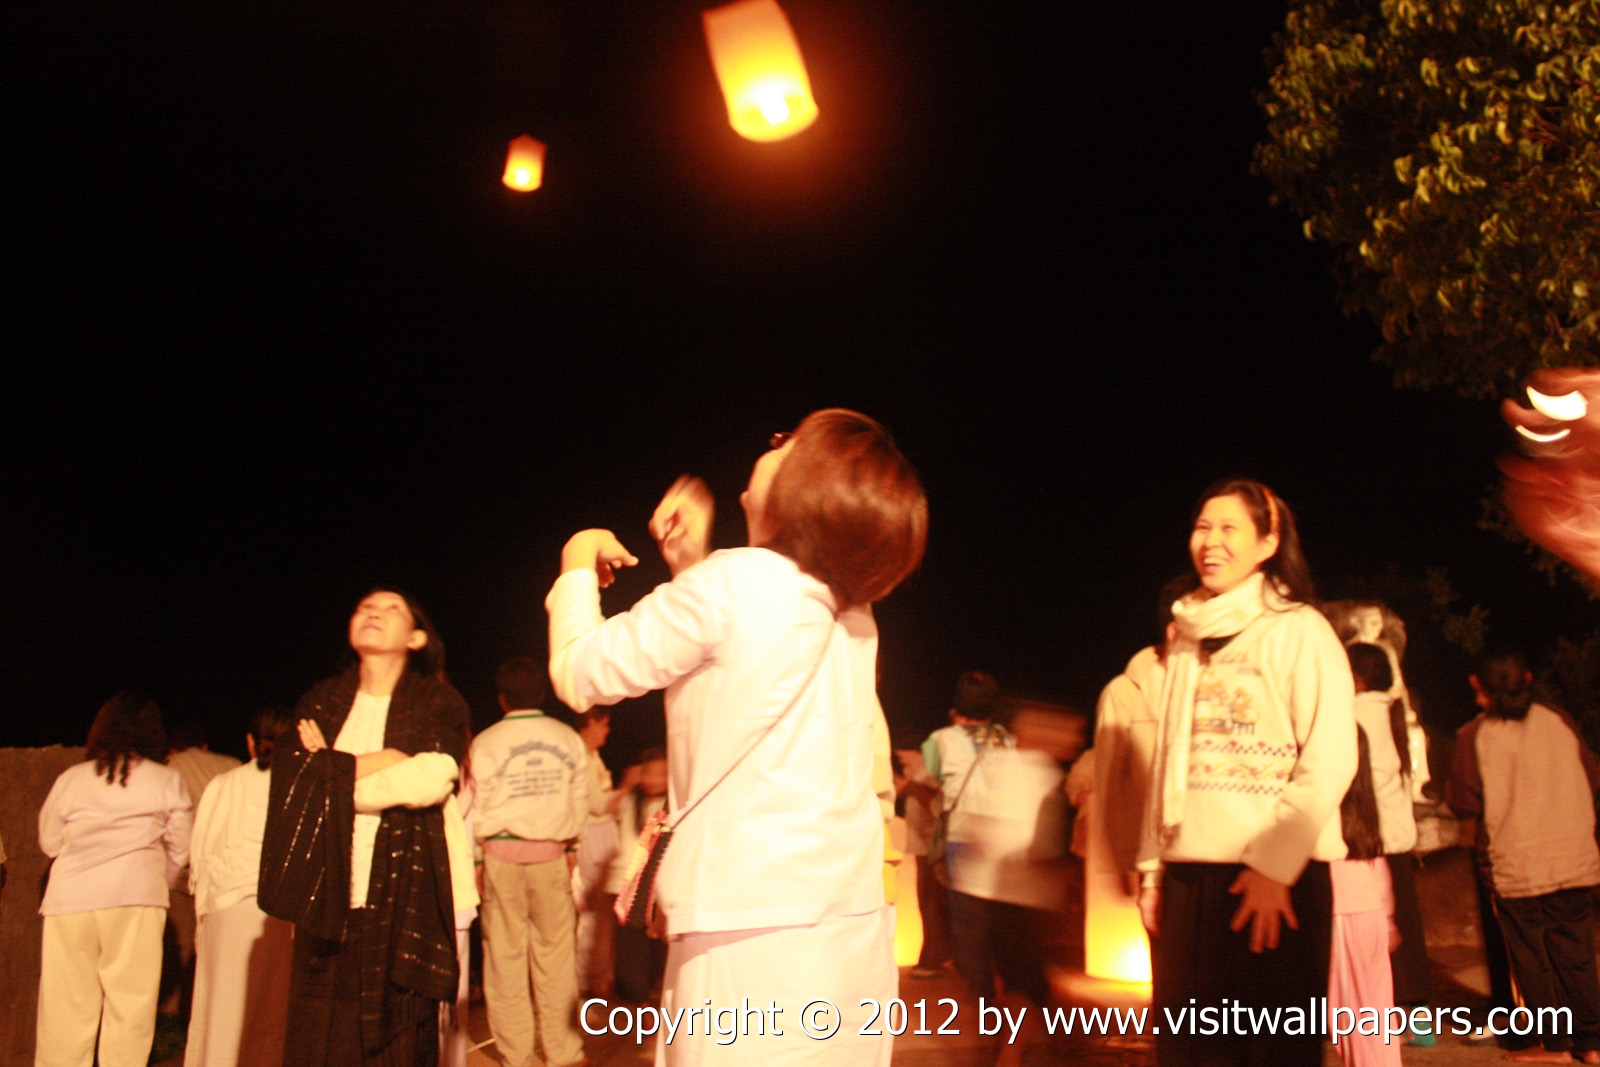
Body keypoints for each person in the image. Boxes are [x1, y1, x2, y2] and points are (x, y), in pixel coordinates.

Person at [546, 409, 927, 1066]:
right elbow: (745, 670)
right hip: (850, 922)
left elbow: (581, 672)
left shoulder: (730, 584)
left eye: (786, 441)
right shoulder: (853, 613)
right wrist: (692, 567)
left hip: (746, 931)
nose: (770, 443)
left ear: (807, 482)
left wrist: (577, 559)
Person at [1137, 478, 1357, 1067]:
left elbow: (1331, 756)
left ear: (1268, 542)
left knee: (1268, 1051)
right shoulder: (1187, 636)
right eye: (1202, 527)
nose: (1210, 541)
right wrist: (1152, 871)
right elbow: (1168, 760)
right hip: (1189, 877)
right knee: (1189, 1052)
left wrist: (1273, 868)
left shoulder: (1299, 629)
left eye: (1228, 527)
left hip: (1272, 878)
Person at [258, 588, 478, 1067]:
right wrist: (388, 759)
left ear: (416, 638)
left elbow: (431, 778)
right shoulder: (321, 701)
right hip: (326, 897)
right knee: (319, 1038)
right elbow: (293, 780)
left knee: (394, 1041)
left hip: (403, 900)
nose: (374, 613)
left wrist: (332, 776)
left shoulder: (437, 702)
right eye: (365, 607)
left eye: (391, 609)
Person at [1446, 648, 1600, 1064]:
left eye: (1478, 692)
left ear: (1486, 691)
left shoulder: (1475, 736)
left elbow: (1463, 801)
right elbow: (1591, 776)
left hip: (1516, 866)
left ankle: (1554, 1045)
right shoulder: (1559, 720)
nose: (1476, 700)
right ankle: (1591, 1042)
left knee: (1531, 958)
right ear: (1527, 680)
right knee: (1577, 955)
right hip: (1574, 858)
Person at [36, 691, 194, 1067]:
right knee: (131, 1006)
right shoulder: (166, 781)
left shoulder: (72, 779)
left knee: (65, 1008)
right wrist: (155, 880)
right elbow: (182, 848)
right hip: (136, 898)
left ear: (101, 729)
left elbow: (49, 841)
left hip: (70, 901)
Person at [468, 656, 590, 1067]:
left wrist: (476, 860)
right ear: (541, 694)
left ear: (502, 699)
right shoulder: (567, 739)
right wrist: (572, 849)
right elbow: (579, 800)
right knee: (556, 958)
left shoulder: (484, 742)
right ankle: (564, 1052)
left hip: (499, 856)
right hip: (551, 856)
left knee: (504, 959)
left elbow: (475, 805)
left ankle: (517, 1056)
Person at [184, 706, 296, 1067]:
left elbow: (202, 853)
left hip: (228, 908)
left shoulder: (224, 784)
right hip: (282, 914)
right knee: (271, 1020)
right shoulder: (300, 785)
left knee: (222, 1018)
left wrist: (202, 916)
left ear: (250, 742)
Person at [1329, 731, 1401, 1067]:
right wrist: (1388, 919)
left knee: (1353, 1024)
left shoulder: (1326, 808)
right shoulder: (1363, 807)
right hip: (1371, 915)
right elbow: (1379, 864)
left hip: (1344, 916)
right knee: (1374, 1017)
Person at [165, 722, 243, 1022]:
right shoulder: (232, 764)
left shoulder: (171, 767)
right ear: (205, 745)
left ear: (173, 748)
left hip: (192, 868)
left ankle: (190, 1017)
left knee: (194, 949)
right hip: (235, 870)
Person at [608, 749, 671, 1002]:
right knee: (630, 952)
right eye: (647, 773)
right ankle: (638, 1002)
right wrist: (626, 786)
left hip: (658, 888)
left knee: (658, 950)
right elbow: (607, 810)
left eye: (660, 774)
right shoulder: (629, 801)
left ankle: (657, 997)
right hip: (626, 888)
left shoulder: (672, 807)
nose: (652, 780)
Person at [573, 709, 626, 1000]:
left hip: (602, 831)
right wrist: (628, 787)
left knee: (605, 913)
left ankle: (600, 976)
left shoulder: (592, 755)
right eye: (604, 724)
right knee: (593, 911)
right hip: (591, 834)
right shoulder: (579, 755)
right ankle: (585, 979)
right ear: (590, 722)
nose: (608, 731)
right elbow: (597, 805)